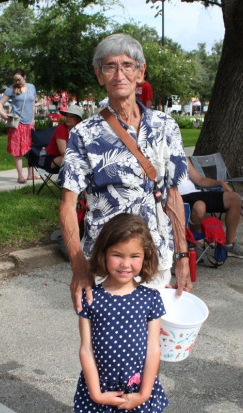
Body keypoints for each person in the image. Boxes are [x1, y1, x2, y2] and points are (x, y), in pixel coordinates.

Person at [58, 33, 191, 314]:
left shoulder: (166, 126)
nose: (120, 74)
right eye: (110, 66)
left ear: (140, 72)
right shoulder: (84, 134)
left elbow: (174, 196)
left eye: (127, 65)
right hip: (106, 260)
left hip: (156, 256)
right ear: (99, 75)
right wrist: (78, 265)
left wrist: (181, 256)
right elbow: (68, 204)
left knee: (153, 343)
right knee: (109, 347)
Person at [74, 213, 168, 412]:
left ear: (145, 257)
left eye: (134, 256)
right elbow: (86, 349)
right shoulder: (91, 298)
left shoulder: (150, 299)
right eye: (117, 255)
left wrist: (144, 394)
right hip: (100, 391)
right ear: (104, 254)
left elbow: (153, 349)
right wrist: (96, 394)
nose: (126, 264)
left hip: (138, 390)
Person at [179, 158, 243, 259]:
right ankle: (191, 245)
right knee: (200, 207)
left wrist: (220, 183)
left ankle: (229, 245)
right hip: (177, 196)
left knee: (234, 198)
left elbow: (200, 180)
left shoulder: (182, 156)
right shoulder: (158, 157)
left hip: (195, 193)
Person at [0, 68, 37, 184]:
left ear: (24, 77)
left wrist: (33, 120)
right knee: (17, 150)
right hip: (17, 124)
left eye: (19, 79)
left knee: (30, 150)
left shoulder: (32, 87)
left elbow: (32, 104)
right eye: (15, 80)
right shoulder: (11, 89)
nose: (17, 82)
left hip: (29, 124)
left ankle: (31, 174)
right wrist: (2, 113)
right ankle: (20, 176)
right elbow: (0, 103)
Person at [42, 104, 83, 171]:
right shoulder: (61, 129)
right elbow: (63, 152)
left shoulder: (79, 130)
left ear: (78, 119)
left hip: (69, 158)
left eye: (71, 117)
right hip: (51, 159)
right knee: (72, 161)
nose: (68, 118)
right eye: (67, 116)